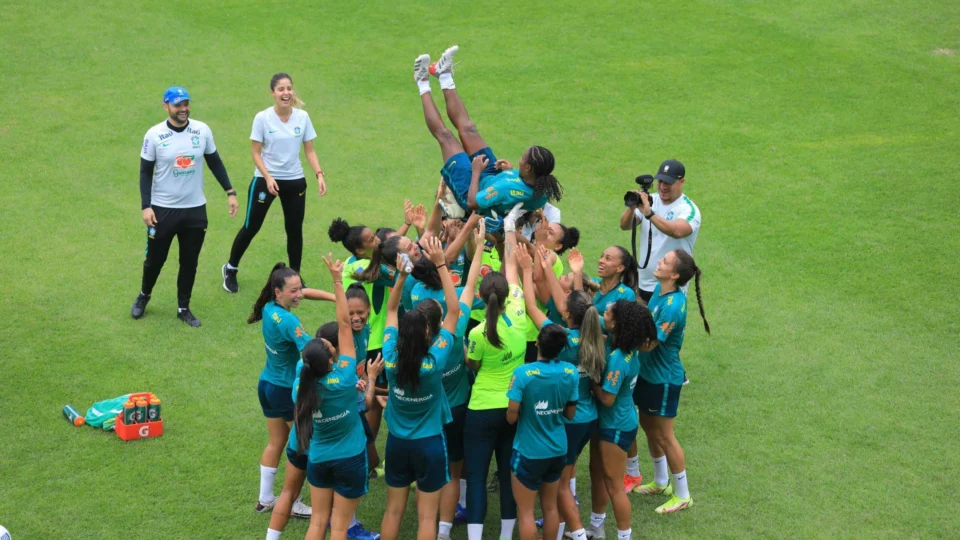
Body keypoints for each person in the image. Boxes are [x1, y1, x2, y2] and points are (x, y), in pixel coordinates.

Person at [413, 46, 562, 224]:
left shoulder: (506, 189)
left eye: (523, 158)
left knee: (446, 136)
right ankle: (443, 74)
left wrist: (476, 171)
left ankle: (422, 81)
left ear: (529, 168)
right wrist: (510, 172)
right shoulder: (541, 190)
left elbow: (473, 203)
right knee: (469, 129)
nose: (520, 159)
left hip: (472, 190)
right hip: (493, 177)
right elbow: (520, 198)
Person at [518, 247, 606, 540]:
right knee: (563, 478)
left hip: (569, 420)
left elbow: (531, 307)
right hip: (587, 416)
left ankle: (578, 534)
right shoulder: (595, 335)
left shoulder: (562, 338)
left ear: (567, 313)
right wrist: (565, 273)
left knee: (560, 485)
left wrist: (527, 270)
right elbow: (575, 303)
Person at [132, 85, 238, 327]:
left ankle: (183, 308)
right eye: (178, 105)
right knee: (155, 260)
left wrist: (230, 192)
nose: (183, 109)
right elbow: (145, 172)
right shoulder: (154, 135)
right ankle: (144, 295)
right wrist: (146, 206)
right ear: (166, 106)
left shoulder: (202, 130)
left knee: (189, 262)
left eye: (186, 104)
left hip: (195, 210)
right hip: (162, 210)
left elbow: (215, 162)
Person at [379, 237, 461, 540]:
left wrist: (401, 276)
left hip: (397, 443)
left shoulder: (390, 357)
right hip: (429, 444)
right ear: (428, 333)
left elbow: (391, 310)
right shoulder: (435, 360)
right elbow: (454, 312)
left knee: (392, 511)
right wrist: (441, 264)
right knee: (427, 515)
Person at [223, 73, 327, 292]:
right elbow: (256, 153)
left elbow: (309, 150)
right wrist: (268, 177)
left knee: (294, 229)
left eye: (289, 88)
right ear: (273, 93)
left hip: (294, 180)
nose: (286, 93)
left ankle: (295, 277)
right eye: (281, 89)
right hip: (265, 179)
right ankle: (230, 268)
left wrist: (319, 174)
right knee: (252, 226)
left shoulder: (302, 117)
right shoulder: (262, 118)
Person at [461, 204, 528, 540]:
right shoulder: (518, 312)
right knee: (507, 475)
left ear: (481, 297)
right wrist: (510, 226)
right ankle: (505, 536)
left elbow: (472, 365)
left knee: (475, 477)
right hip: (513, 409)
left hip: (481, 409)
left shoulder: (476, 333)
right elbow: (511, 265)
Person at [295, 254, 370, 540]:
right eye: (329, 347)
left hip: (319, 459)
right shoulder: (346, 377)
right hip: (349, 459)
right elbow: (345, 326)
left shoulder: (300, 385)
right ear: (330, 361)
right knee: (339, 527)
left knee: (317, 523)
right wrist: (338, 281)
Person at [633, 250, 710, 515]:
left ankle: (683, 495)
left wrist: (618, 333)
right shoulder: (660, 289)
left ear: (675, 275)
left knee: (665, 436)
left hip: (663, 379)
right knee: (648, 426)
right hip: (647, 375)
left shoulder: (674, 306)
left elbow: (648, 345)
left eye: (665, 261)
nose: (659, 262)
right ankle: (661, 481)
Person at [247, 263, 311, 513]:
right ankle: (291, 503)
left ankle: (265, 500)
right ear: (278, 292)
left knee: (276, 442)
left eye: (300, 289)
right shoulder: (288, 321)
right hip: (285, 391)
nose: (299, 294)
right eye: (294, 291)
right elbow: (311, 352)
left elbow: (301, 293)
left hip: (266, 386)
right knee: (303, 447)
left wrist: (332, 295)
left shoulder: (268, 308)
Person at [591, 300, 657, 540]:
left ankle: (624, 536)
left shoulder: (619, 358)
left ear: (617, 324)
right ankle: (596, 527)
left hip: (615, 426)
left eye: (609, 312)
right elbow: (594, 318)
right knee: (600, 475)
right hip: (617, 421)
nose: (605, 311)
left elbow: (607, 398)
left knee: (614, 486)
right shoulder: (625, 345)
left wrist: (591, 381)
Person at [505, 322, 578, 540]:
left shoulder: (522, 373)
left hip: (529, 452)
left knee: (525, 512)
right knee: (550, 508)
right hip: (558, 449)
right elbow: (570, 414)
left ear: (537, 343)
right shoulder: (570, 371)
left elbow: (511, 417)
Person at [437, 220, 486, 540]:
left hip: (427, 417)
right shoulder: (455, 339)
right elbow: (469, 285)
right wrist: (478, 246)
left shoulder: (409, 350)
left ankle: (431, 521)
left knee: (434, 472)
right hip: (457, 410)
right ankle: (446, 525)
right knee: (457, 468)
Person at [618, 159, 701, 303]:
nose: (662, 187)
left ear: (681, 182)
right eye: (660, 181)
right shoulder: (650, 200)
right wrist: (632, 207)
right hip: (643, 283)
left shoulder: (688, 209)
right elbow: (625, 225)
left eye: (668, 182)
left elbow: (677, 231)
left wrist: (650, 214)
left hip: (670, 288)